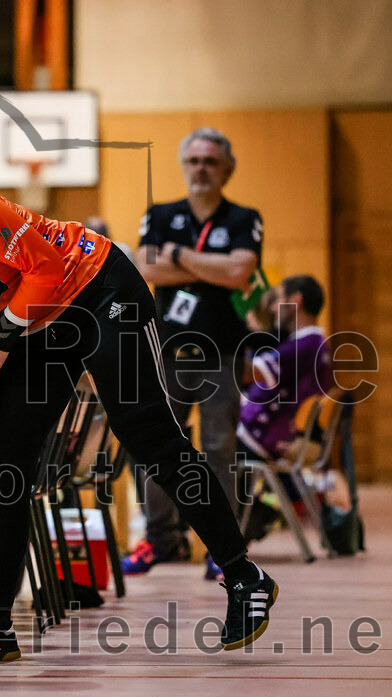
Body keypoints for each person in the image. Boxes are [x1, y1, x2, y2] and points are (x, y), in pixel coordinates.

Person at [0, 142, 277, 661]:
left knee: (147, 435)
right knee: (3, 463)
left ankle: (245, 577)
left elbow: (44, 267)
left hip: (95, 289)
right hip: (33, 324)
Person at [126, 128, 264, 580]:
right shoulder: (161, 213)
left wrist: (180, 256)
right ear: (184, 165)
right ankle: (161, 540)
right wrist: (213, 268)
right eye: (194, 160)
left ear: (227, 169)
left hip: (222, 353)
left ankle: (221, 549)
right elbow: (146, 266)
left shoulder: (244, 217)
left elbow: (241, 271)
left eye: (210, 161)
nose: (201, 168)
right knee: (159, 445)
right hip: (166, 351)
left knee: (221, 449)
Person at [238, 275, 333, 538]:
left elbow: (249, 373)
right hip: (270, 433)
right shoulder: (314, 343)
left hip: (260, 435)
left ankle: (225, 530)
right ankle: (247, 517)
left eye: (278, 299)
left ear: (296, 301)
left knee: (203, 451)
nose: (272, 307)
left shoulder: (306, 345)